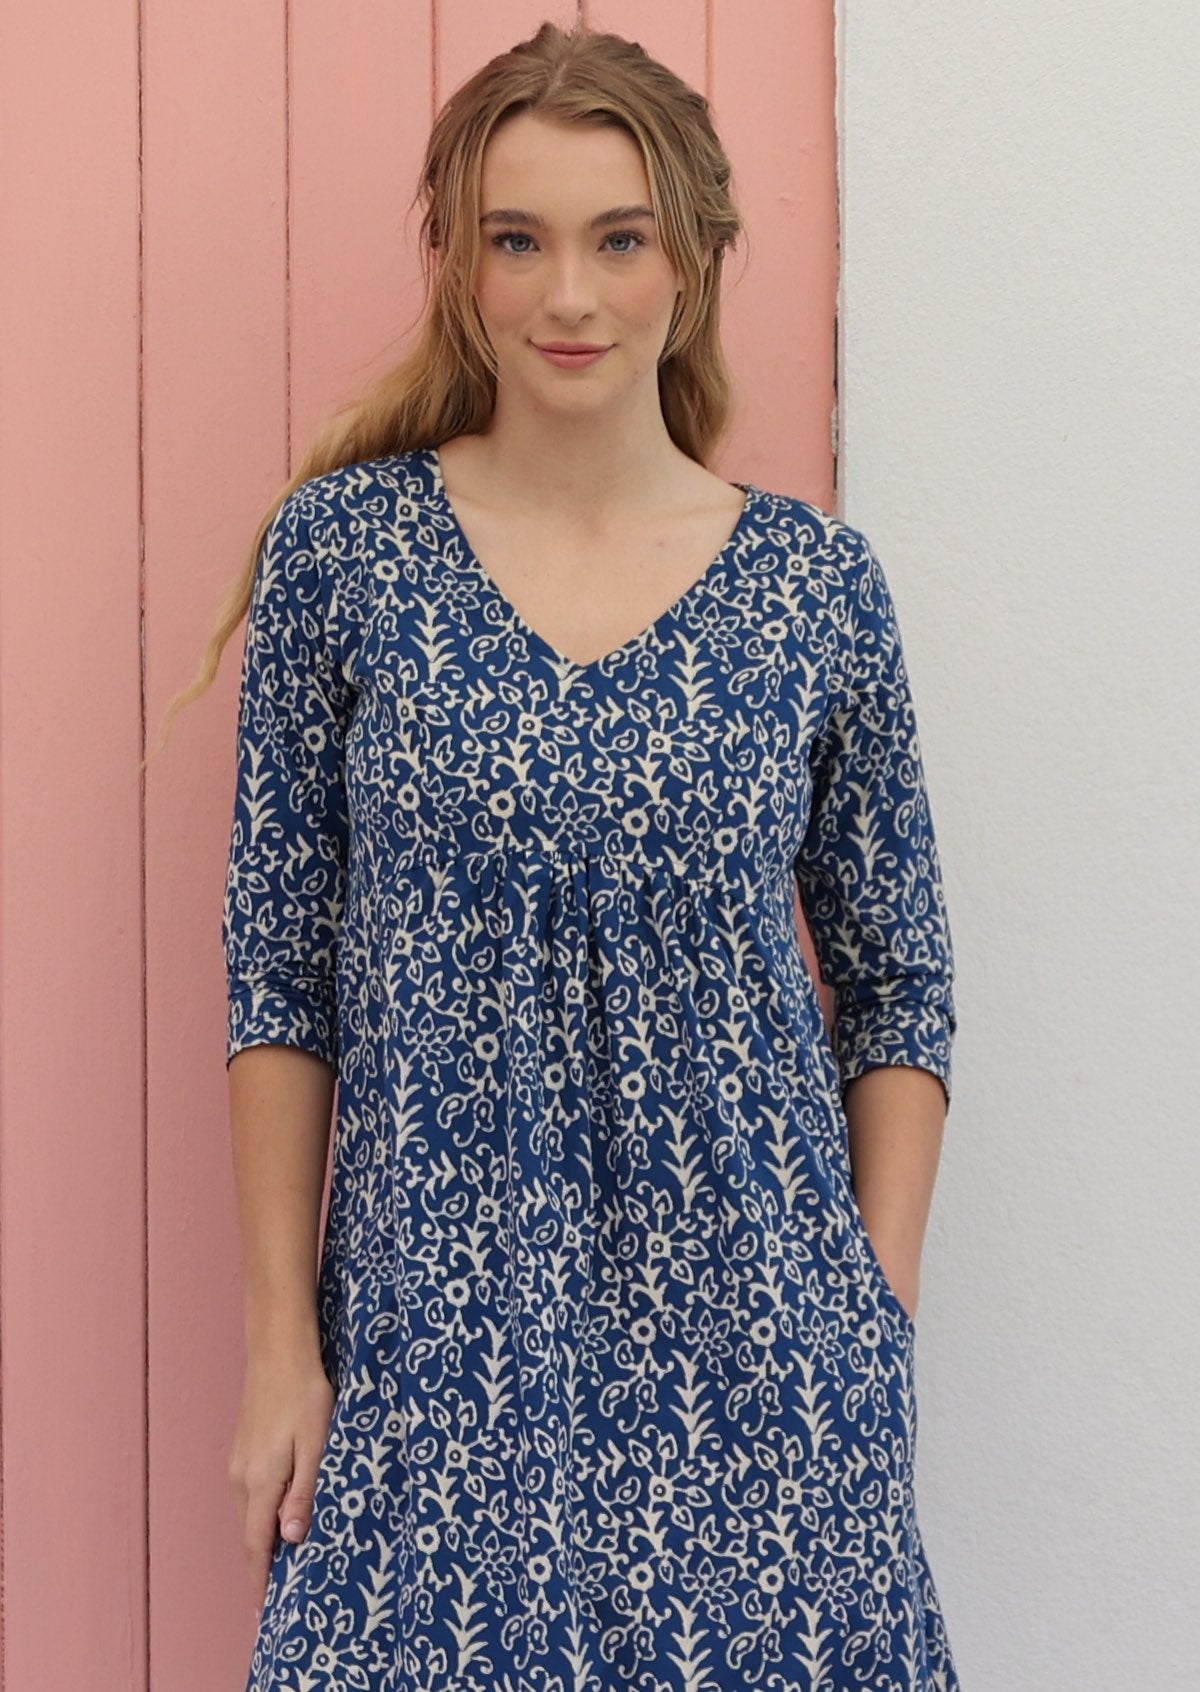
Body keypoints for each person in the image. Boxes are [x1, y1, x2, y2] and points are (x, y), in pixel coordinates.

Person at [164, 19, 961, 1690]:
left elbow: (898, 984)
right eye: (516, 241)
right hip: (433, 1360)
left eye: (620, 239)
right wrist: (279, 1343)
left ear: (695, 257)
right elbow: (280, 973)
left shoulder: (815, 591)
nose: (569, 296)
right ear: (458, 265)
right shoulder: (345, 556)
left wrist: (868, 1311)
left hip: (766, 1376)